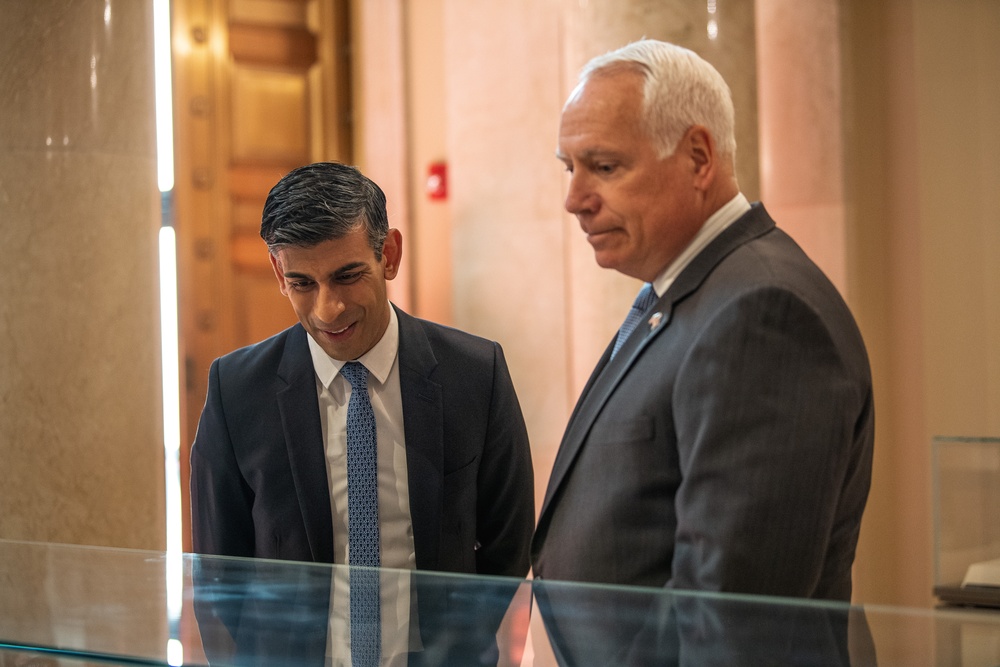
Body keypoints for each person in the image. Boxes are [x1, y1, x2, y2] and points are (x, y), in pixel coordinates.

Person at [530, 40, 874, 601]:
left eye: (604, 166)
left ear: (698, 158)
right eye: (570, 168)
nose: (574, 199)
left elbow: (732, 611)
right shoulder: (690, 292)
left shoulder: (762, 313)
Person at [190, 161, 534, 579]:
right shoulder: (237, 390)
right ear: (279, 273)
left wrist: (464, 640)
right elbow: (219, 569)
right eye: (302, 283)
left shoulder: (477, 375)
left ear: (388, 255)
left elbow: (509, 545)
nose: (327, 309)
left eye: (347, 276)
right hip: (289, 647)